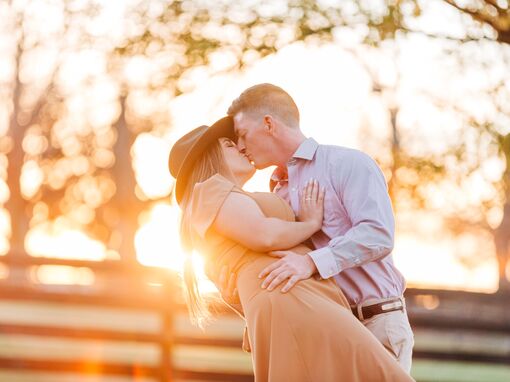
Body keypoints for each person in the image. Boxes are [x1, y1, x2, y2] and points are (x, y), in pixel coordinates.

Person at [168, 116, 414, 381]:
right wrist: (310, 223)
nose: (241, 147)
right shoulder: (210, 191)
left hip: (334, 306)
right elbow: (265, 236)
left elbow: (253, 262)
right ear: (210, 158)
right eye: (229, 143)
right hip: (300, 304)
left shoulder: (254, 196)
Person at [221, 83, 414, 372]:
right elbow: (284, 270)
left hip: (376, 323)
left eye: (243, 134)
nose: (240, 146)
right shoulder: (276, 197)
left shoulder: (348, 164)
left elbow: (378, 234)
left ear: (269, 124)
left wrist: (311, 262)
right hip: (320, 332)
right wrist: (246, 301)